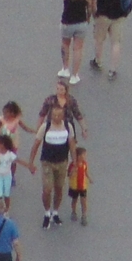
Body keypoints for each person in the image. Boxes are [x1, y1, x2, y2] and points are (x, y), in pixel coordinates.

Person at [34, 86, 82, 229]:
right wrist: (31, 162)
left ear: (62, 116)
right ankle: (47, 213)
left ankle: (55, 212)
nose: (55, 117)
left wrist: (74, 162)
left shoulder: (68, 127)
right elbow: (36, 144)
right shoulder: (45, 127)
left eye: (58, 115)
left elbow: (72, 145)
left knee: (59, 188)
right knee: (47, 189)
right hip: (47, 162)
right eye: (53, 115)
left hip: (62, 162)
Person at [89, 0, 132, 77]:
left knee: (99, 40)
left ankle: (98, 61)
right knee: (116, 43)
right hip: (119, 16)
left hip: (103, 16)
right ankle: (112, 69)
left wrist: (94, 13)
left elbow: (93, 1)